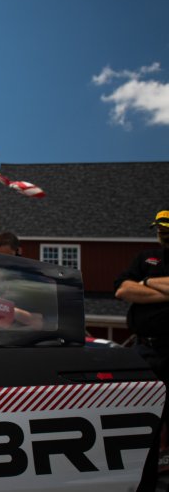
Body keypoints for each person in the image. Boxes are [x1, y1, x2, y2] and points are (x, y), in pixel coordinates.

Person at [114, 209, 169, 492]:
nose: (161, 232)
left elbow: (134, 289)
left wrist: (144, 284)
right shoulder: (145, 258)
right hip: (144, 349)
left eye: (166, 227)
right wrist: (157, 286)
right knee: (143, 420)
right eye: (159, 227)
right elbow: (123, 291)